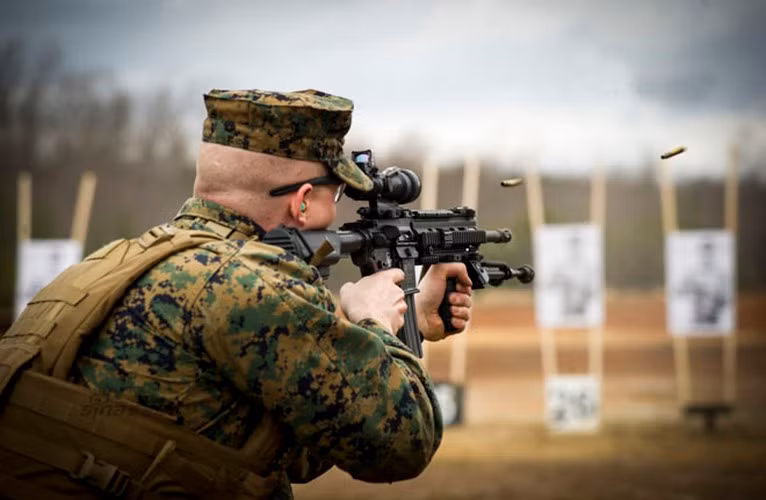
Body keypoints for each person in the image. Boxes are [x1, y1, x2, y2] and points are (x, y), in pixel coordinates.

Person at [0, 89, 473, 499]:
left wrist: (410, 321)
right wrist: (375, 322)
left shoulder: (113, 263)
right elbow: (402, 443)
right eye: (336, 196)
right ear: (302, 201)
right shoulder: (252, 286)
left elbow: (297, 441)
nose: (337, 213)